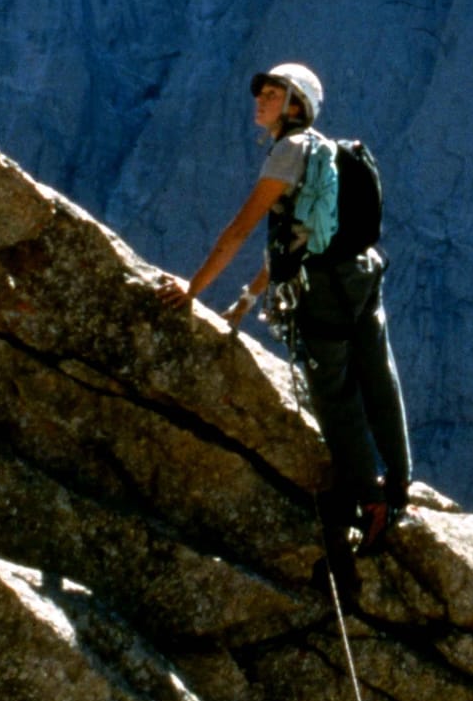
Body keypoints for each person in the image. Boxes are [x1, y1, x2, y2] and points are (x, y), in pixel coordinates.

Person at [156, 63, 412, 552]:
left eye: (273, 94)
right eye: (264, 94)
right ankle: (398, 483)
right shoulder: (329, 152)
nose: (261, 101)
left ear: (297, 106)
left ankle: (368, 499)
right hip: (361, 275)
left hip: (324, 293)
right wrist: (248, 298)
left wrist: (192, 290)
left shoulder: (288, 153)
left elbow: (241, 230)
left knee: (334, 395)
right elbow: (296, 240)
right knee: (379, 376)